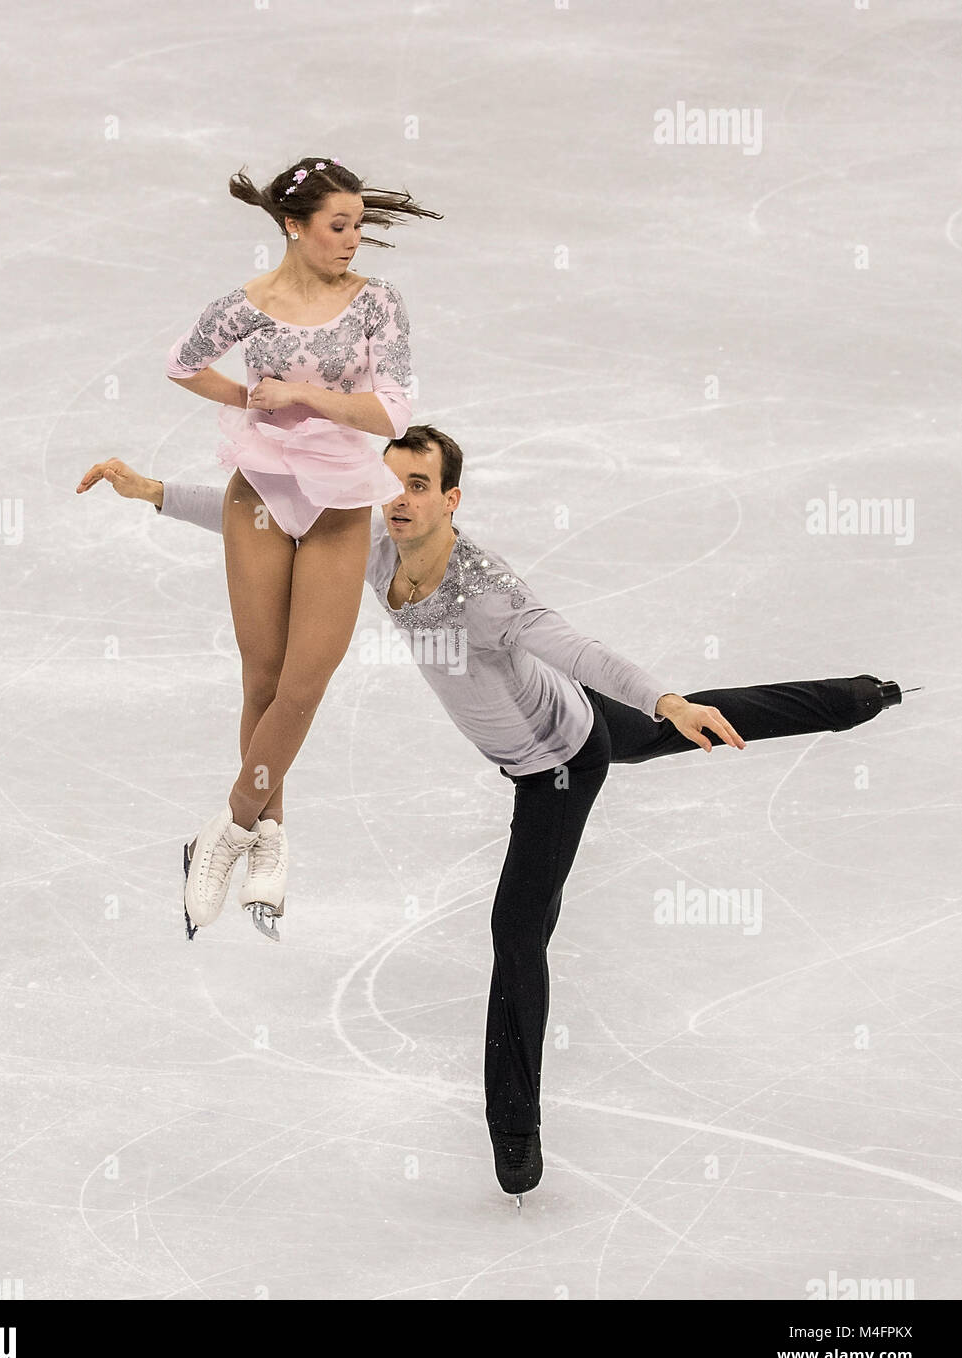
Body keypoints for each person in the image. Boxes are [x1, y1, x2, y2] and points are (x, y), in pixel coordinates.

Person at [76, 428, 905, 1200]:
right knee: (665, 734)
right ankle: (857, 696)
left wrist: (662, 693)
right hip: (562, 721)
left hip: (553, 768)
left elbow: (579, 650)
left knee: (518, 930)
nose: (397, 498)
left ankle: (515, 1129)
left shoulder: (491, 595)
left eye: (418, 485)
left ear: (451, 501)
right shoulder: (369, 548)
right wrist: (149, 490)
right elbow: (262, 516)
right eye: (388, 482)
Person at [133, 154, 440, 937]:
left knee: (305, 684)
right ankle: (270, 836)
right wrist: (243, 399)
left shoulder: (378, 305)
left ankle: (226, 831)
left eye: (358, 227)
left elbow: (394, 413)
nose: (351, 242)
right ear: (292, 227)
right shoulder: (250, 306)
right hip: (262, 494)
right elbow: (180, 363)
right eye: (338, 227)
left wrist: (300, 394)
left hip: (339, 500)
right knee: (264, 679)